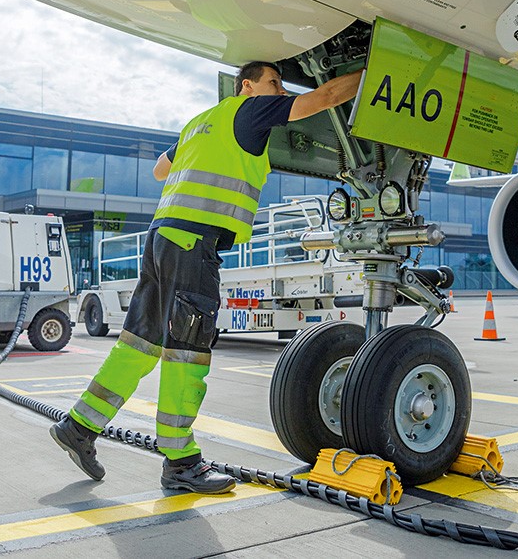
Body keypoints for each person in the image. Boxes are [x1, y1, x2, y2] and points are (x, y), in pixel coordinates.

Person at [51, 61, 362, 493]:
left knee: (140, 344)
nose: (280, 91)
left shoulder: (200, 123)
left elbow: (161, 170)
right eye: (275, 83)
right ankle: (180, 463)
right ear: (247, 86)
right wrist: (375, 75)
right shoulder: (251, 110)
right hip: (193, 244)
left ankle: (80, 426)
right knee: (187, 351)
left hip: (162, 240)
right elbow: (325, 98)